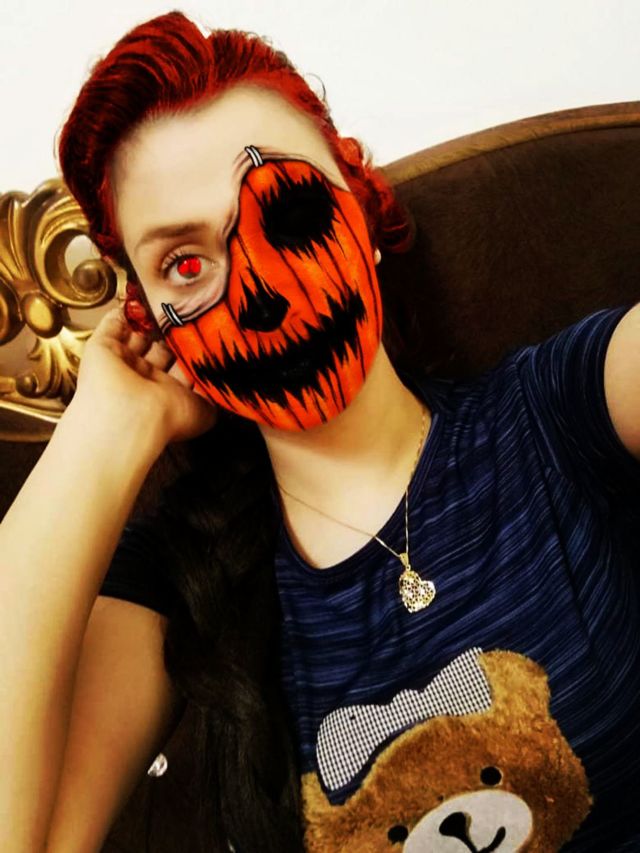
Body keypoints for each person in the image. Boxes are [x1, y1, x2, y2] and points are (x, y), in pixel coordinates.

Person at [1, 10, 639, 853]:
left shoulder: (561, 407)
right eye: (184, 265)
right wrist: (105, 428)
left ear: (361, 213)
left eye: (290, 214)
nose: (261, 293)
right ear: (150, 319)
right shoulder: (181, 582)